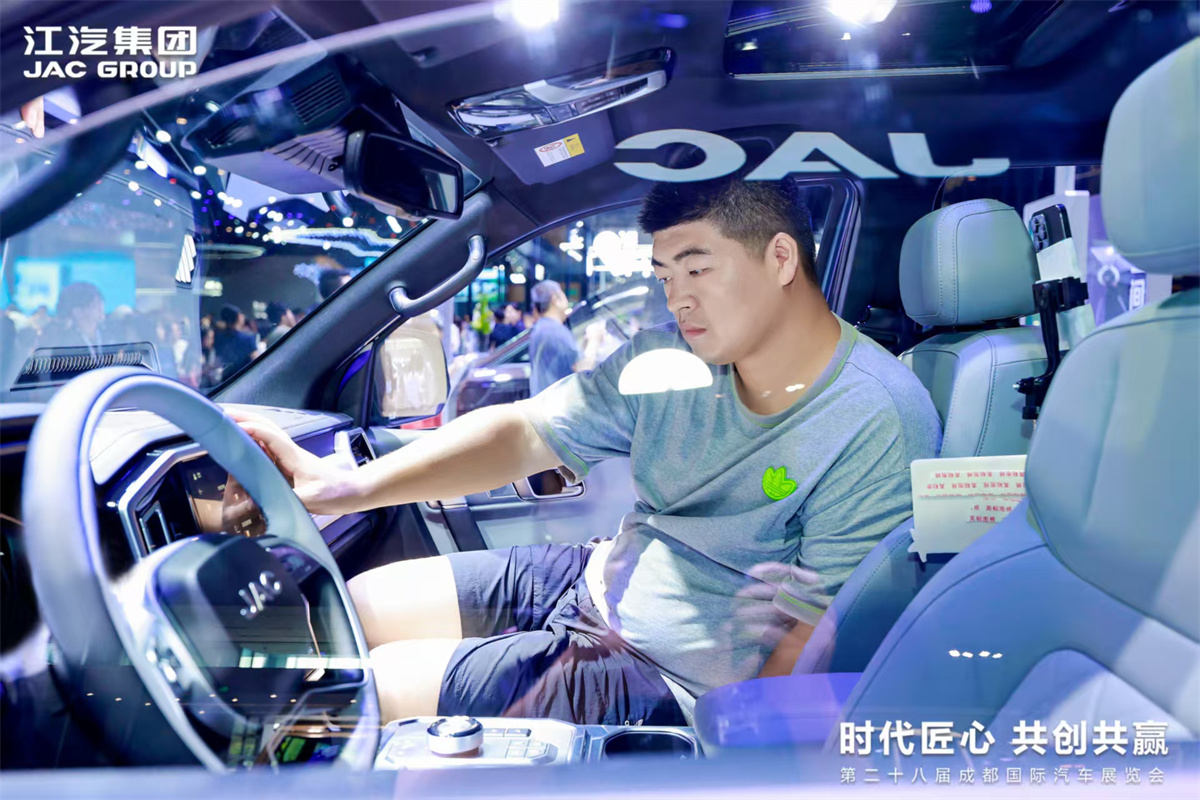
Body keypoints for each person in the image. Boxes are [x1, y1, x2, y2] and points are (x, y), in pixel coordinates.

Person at [235, 177, 941, 726]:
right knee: (350, 604)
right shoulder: (668, 362)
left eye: (697, 271)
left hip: (669, 675)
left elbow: (816, 635)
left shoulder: (875, 415)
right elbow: (526, 431)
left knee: (370, 689)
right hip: (597, 578)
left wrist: (735, 761)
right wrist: (347, 488)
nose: (678, 300)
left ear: (781, 258)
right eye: (664, 277)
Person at [527, 281, 603, 396]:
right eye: (562, 293)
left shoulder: (542, 328)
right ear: (555, 299)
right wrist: (594, 339)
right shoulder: (555, 331)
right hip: (557, 403)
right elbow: (582, 372)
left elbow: (565, 362)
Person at [212, 304, 257, 375]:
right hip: (244, 375)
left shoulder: (218, 338)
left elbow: (217, 361)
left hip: (227, 377)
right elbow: (256, 360)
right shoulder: (247, 338)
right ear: (239, 317)